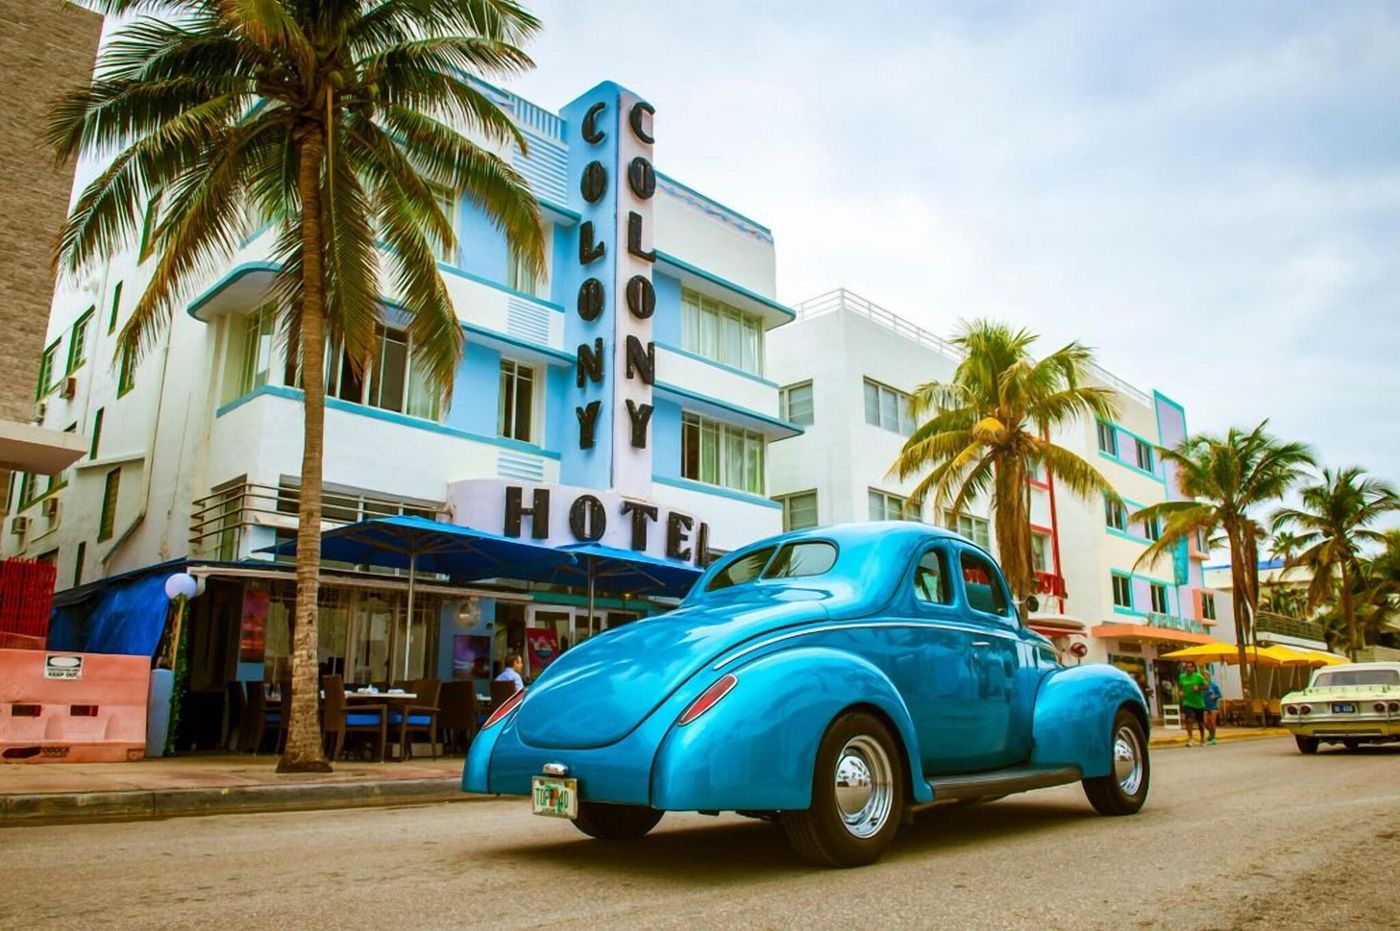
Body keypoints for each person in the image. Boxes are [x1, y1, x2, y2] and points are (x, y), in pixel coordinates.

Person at [1178, 661, 1208, 747]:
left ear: (1194, 668)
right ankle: (1190, 739)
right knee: (1189, 719)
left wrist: (1199, 687)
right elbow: (1180, 687)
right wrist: (1180, 692)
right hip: (1187, 702)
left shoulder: (1198, 676)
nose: (1189, 668)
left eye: (1191, 667)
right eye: (1187, 667)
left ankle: (1202, 739)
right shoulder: (1182, 677)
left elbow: (1206, 686)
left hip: (1198, 703)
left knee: (1200, 723)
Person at [1202, 670, 1223, 745]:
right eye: (1203, 676)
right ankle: (1211, 734)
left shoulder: (1214, 686)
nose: (1205, 677)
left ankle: (1213, 737)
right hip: (1204, 706)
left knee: (1212, 722)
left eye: (1206, 675)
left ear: (1209, 676)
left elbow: (1220, 695)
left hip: (1213, 706)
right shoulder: (1202, 686)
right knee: (1205, 723)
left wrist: (1215, 696)